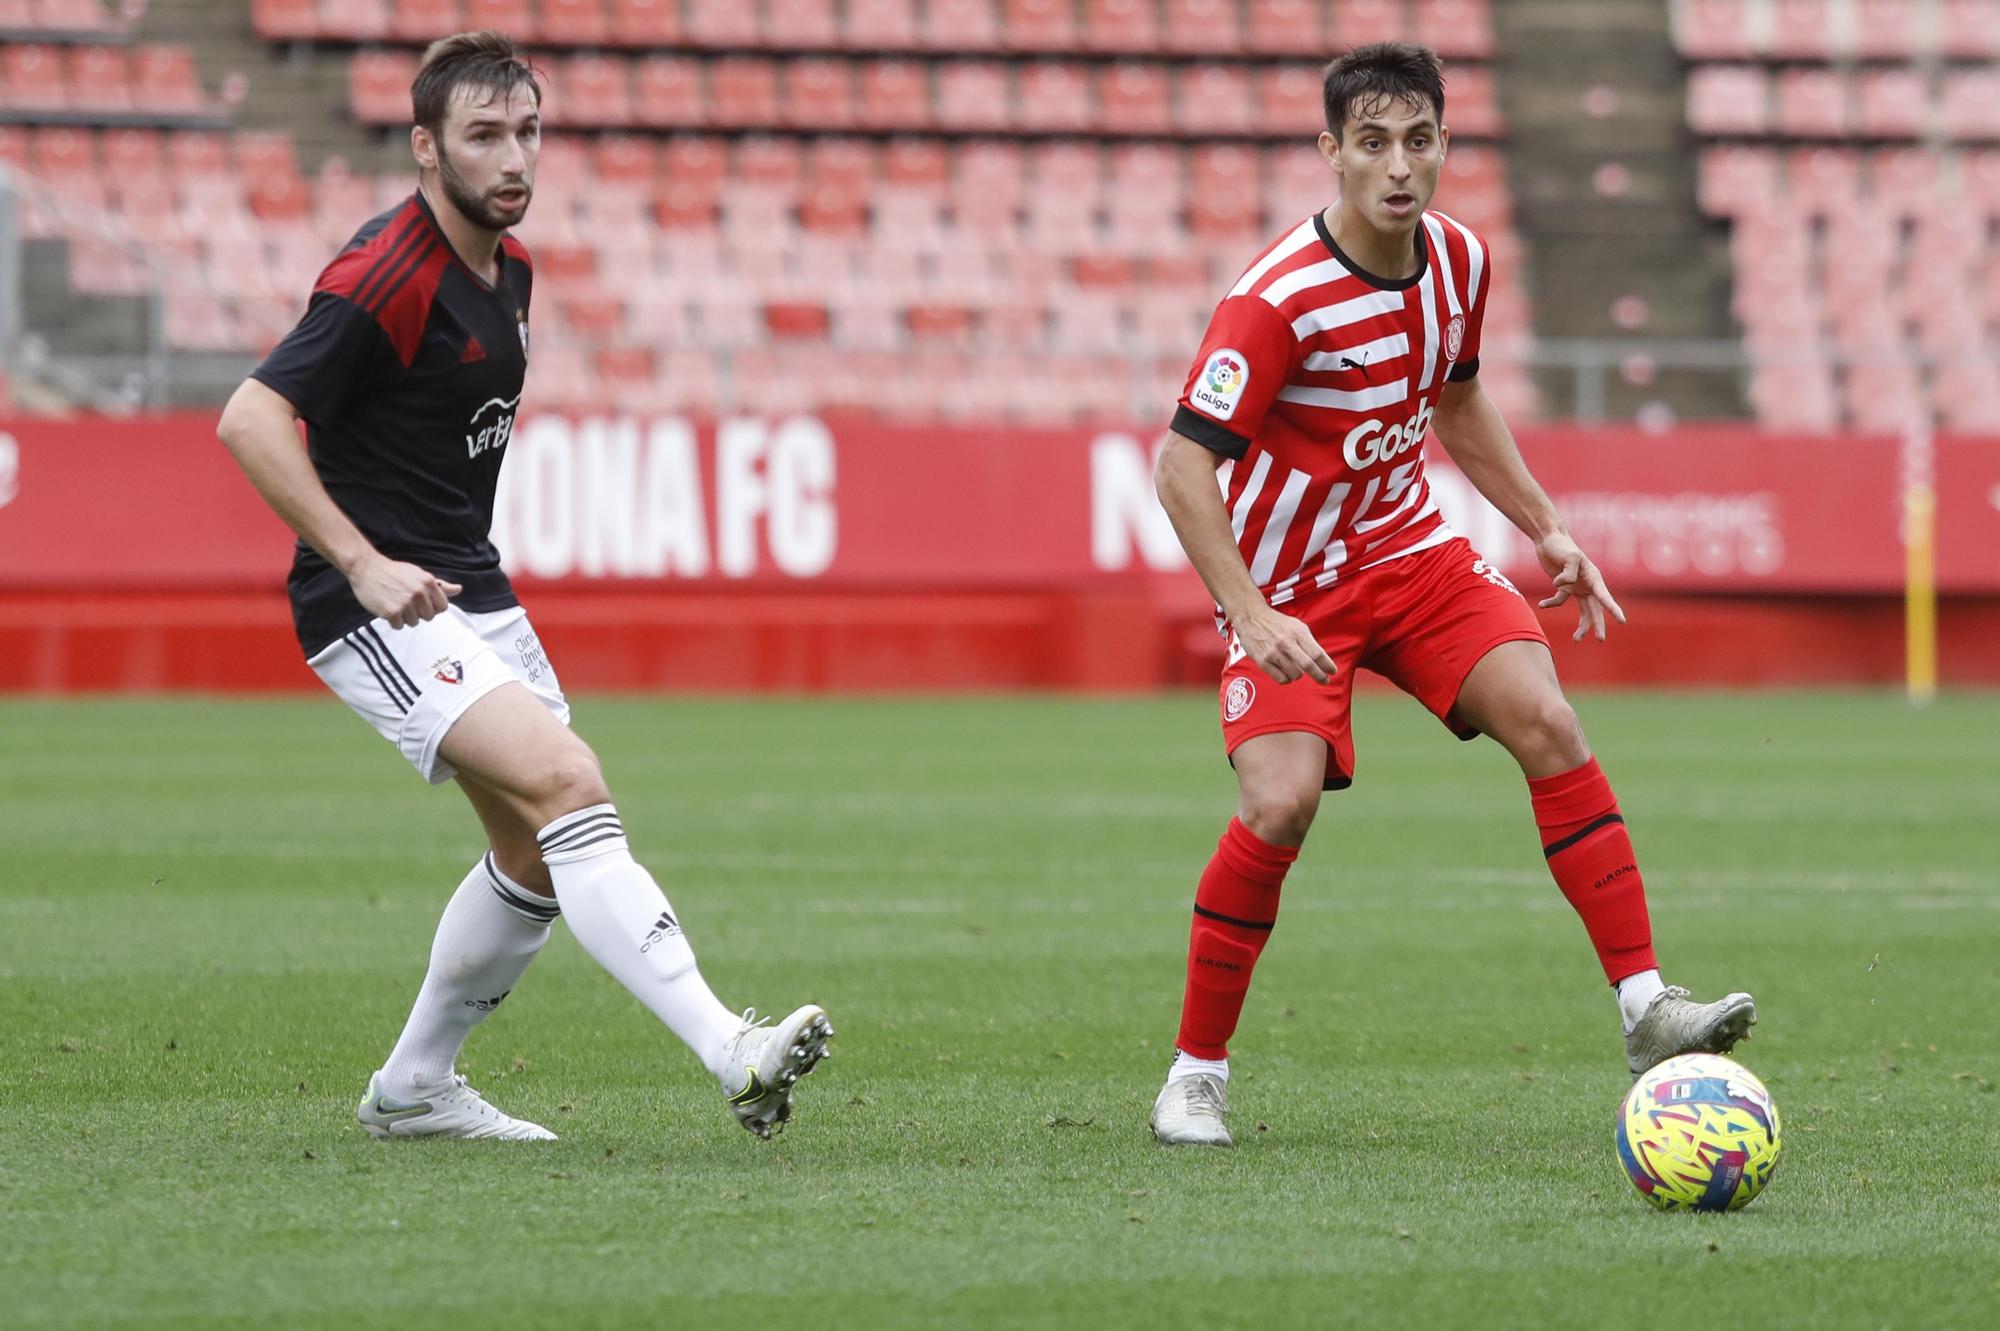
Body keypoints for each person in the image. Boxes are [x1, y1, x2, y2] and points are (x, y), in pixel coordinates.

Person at [215, 31, 831, 1142]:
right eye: (485, 136)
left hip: (468, 591)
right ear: (423, 147)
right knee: (570, 783)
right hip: (370, 601)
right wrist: (360, 557)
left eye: (528, 133)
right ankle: (727, 1047)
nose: (514, 159)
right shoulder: (381, 276)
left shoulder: (512, 269)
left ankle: (413, 1087)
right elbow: (250, 417)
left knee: (531, 851)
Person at [1147, 42, 1753, 1148]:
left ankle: (1642, 1004)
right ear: (1329, 152)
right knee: (1275, 804)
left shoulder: (1460, 262)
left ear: (1442, 148)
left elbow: (1457, 403)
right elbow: (1180, 465)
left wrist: (1546, 526)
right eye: (1370, 143)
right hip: (1289, 589)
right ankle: (1193, 1071)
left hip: (1410, 556)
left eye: (1417, 141)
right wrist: (1248, 609)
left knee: (1549, 719)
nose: (1396, 166)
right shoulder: (1276, 298)